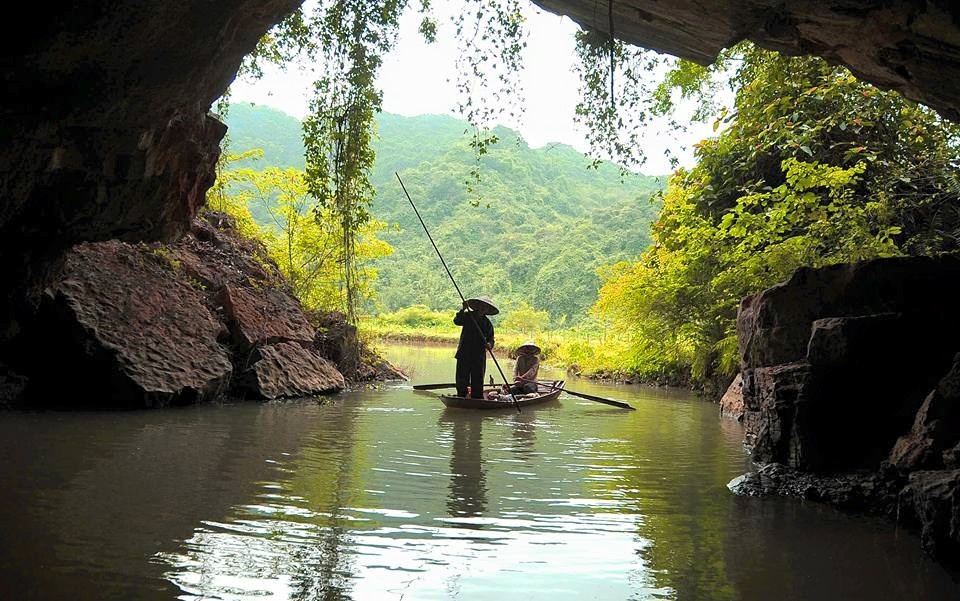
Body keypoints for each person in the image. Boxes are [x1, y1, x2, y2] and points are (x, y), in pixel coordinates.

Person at [454, 295, 497, 399]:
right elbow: (457, 321)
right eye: (481, 305)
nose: (483, 308)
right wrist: (463, 309)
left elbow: (491, 339)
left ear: (487, 310)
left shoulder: (487, 324)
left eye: (485, 307)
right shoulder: (468, 316)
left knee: (478, 379)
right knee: (462, 378)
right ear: (477, 306)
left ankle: (476, 399)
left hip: (479, 355)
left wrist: (489, 345)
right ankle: (461, 397)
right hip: (464, 352)